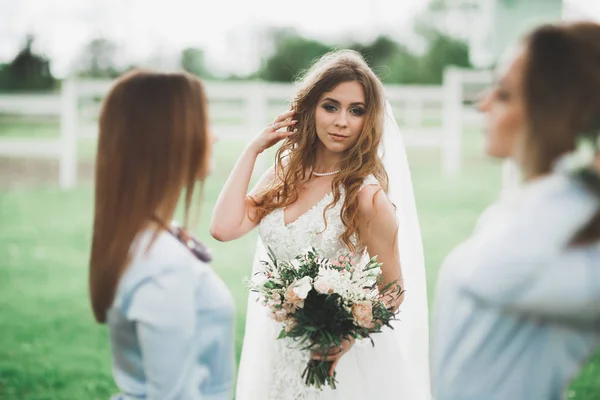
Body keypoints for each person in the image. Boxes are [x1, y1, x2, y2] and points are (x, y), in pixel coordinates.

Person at [210, 50, 431, 399]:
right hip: (279, 346)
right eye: (330, 106)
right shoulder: (284, 175)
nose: (342, 121)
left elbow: (394, 289)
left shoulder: (366, 196)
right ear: (310, 108)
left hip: (339, 358)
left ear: (368, 119)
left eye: (355, 110)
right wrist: (252, 150)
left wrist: (345, 337)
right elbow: (223, 228)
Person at [432, 21, 600, 400]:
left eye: (505, 94)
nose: (483, 103)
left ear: (552, 111)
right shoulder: (521, 209)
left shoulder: (579, 218)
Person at [89, 69, 235, 400]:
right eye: (205, 123)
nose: (215, 136)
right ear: (171, 137)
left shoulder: (149, 235)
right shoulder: (163, 265)